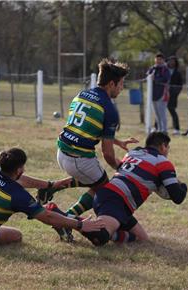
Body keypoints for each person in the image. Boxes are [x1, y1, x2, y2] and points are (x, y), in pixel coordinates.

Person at [45, 58, 138, 242]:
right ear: (111, 83)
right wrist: (120, 167)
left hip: (62, 151)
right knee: (103, 189)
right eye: (121, 84)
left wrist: (117, 141)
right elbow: (108, 154)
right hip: (78, 158)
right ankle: (64, 219)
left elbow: (86, 128)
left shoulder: (81, 94)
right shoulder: (109, 109)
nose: (121, 88)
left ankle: (53, 187)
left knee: (92, 180)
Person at [78, 132, 187, 246]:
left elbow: (127, 171)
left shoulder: (134, 152)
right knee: (100, 237)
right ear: (162, 146)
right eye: (168, 147)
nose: (168, 151)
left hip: (115, 199)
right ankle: (69, 220)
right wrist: (183, 185)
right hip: (116, 200)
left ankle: (108, 230)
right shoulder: (162, 162)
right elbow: (178, 197)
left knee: (142, 239)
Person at [147, 53, 171, 134]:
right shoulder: (152, 68)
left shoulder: (165, 69)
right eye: (157, 59)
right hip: (153, 95)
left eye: (160, 59)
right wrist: (150, 76)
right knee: (157, 114)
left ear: (163, 60)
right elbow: (147, 76)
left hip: (162, 94)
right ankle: (159, 129)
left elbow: (166, 79)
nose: (158, 60)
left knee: (162, 113)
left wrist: (156, 79)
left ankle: (164, 130)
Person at [166, 56, 183, 135]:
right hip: (163, 94)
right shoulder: (164, 71)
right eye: (170, 61)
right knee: (160, 111)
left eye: (173, 61)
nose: (171, 62)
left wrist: (175, 93)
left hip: (172, 95)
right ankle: (157, 127)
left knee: (172, 110)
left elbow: (180, 85)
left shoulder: (178, 73)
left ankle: (177, 128)